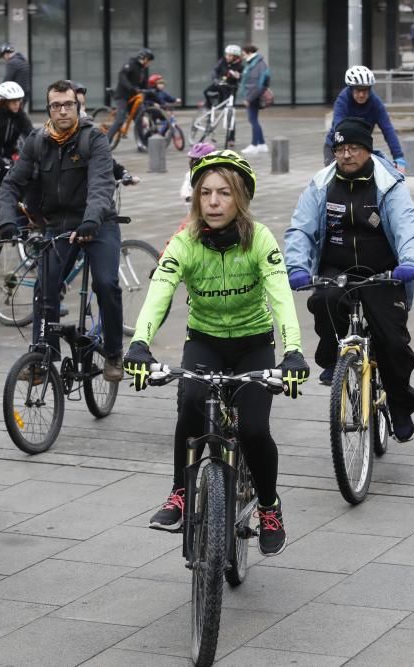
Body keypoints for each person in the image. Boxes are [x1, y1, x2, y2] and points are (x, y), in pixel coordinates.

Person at [122, 150, 309, 556]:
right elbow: (160, 292)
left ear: (240, 197)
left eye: (224, 193)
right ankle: (180, 492)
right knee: (190, 403)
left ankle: (269, 505)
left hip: (253, 345)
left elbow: (281, 297)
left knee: (255, 430)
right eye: (204, 193)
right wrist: (140, 343)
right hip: (204, 341)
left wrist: (292, 351)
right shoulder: (185, 242)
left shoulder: (260, 239)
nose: (213, 201)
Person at [285, 117, 414, 442]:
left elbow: (407, 227)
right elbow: (301, 229)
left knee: (393, 344)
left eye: (353, 148)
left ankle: (399, 403)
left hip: (384, 273)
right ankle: (334, 359)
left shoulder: (388, 184)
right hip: (337, 271)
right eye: (340, 149)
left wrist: (410, 261)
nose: (346, 155)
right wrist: (297, 267)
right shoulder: (321, 185)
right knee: (323, 299)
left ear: (367, 149)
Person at [0, 79, 124, 382]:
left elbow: (101, 184)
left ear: (77, 106)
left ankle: (114, 353)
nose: (63, 110)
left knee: (106, 284)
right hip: (58, 225)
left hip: (98, 222)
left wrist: (92, 220)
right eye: (56, 105)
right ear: (49, 108)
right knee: (45, 287)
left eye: (68, 104)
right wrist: (6, 219)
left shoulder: (94, 139)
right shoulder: (37, 141)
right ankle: (44, 355)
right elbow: (12, 183)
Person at [323, 66, 408, 173]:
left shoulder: (375, 103)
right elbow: (339, 126)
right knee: (335, 178)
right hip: (337, 146)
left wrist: (398, 156)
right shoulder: (343, 100)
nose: (362, 94)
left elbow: (388, 130)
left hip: (360, 147)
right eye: (358, 90)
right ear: (351, 88)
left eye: (365, 90)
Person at [0, 81, 33, 229]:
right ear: (3, 102)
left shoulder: (20, 116)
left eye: (19, 101)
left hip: (9, 153)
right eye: (13, 101)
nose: (17, 104)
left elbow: (31, 134)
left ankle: (20, 210)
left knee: (24, 175)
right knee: (1, 169)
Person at [108, 48, 154, 149]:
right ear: (144, 58)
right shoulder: (130, 64)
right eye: (149, 60)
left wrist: (151, 91)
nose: (149, 63)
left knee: (139, 119)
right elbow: (122, 76)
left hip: (133, 97)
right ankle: (105, 144)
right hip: (122, 96)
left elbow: (144, 85)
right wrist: (131, 88)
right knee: (120, 120)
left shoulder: (143, 69)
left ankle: (142, 143)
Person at [203, 44, 244, 146]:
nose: (227, 57)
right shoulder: (222, 61)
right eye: (227, 55)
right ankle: (209, 109)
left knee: (230, 112)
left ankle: (231, 138)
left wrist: (239, 77)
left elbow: (243, 77)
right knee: (206, 91)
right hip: (220, 84)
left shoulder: (240, 66)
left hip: (230, 89)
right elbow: (214, 71)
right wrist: (215, 79)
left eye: (230, 56)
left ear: (236, 57)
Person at [239, 45, 270, 156]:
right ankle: (261, 144)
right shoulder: (255, 63)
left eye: (243, 54)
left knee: (253, 120)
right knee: (254, 120)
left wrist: (249, 98)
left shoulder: (256, 64)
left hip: (254, 96)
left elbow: (256, 84)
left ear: (248, 52)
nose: (242, 56)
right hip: (253, 95)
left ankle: (254, 145)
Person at [0, 42, 31, 107]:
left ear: (6, 53)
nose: (4, 59)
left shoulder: (12, 63)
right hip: (25, 92)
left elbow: (7, 79)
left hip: (17, 94)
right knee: (19, 113)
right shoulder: (22, 60)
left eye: (3, 56)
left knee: (14, 114)